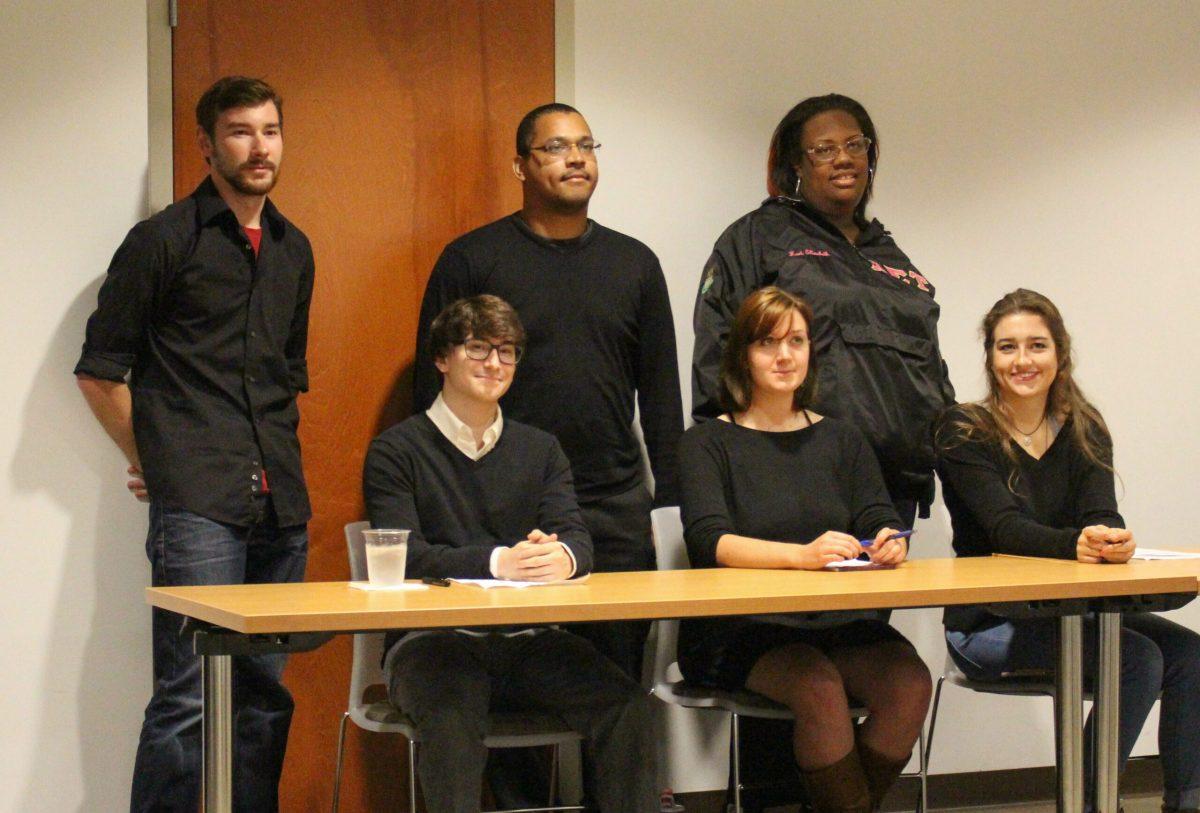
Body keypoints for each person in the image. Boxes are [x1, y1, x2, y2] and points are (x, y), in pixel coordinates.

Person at [74, 76, 313, 811]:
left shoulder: (293, 248)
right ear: (207, 145)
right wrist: (152, 458)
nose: (259, 146)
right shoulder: (163, 241)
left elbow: (286, 377)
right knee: (186, 700)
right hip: (198, 502)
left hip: (281, 502)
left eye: (270, 129)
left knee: (264, 694)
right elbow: (98, 372)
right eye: (240, 131)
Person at [413, 102, 684, 682]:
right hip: (500, 501)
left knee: (615, 687)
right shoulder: (473, 258)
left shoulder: (634, 264)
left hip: (611, 505)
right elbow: (429, 387)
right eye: (556, 147)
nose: (576, 159)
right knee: (504, 684)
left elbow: (661, 393)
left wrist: (672, 505)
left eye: (586, 146)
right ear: (520, 166)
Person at [364, 295, 656, 813]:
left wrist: (562, 557)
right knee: (453, 718)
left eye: (507, 351)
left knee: (627, 705)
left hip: (531, 639)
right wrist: (500, 561)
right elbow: (404, 557)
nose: (495, 364)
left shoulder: (541, 449)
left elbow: (579, 540)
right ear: (441, 358)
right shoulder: (396, 450)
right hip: (431, 643)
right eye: (478, 348)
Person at [935, 288, 1200, 813]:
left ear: (1060, 354)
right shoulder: (962, 429)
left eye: (1036, 345)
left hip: (1078, 613)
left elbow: (1100, 514)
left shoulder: (1085, 426)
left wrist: (1113, 539)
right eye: (1007, 347)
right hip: (989, 623)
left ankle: (1185, 801)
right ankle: (1086, 803)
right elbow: (1004, 530)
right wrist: (1078, 544)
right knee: (1137, 659)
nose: (1023, 360)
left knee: (1190, 654)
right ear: (989, 357)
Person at [679, 287, 931, 812]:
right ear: (742, 355)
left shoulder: (843, 439)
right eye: (768, 342)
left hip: (835, 622)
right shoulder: (707, 442)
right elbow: (710, 542)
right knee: (818, 687)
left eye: (796, 340)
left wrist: (890, 541)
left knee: (909, 683)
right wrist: (801, 555)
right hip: (739, 628)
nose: (785, 355)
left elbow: (878, 515)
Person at [692, 93, 954, 528]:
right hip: (791, 475)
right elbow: (718, 355)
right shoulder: (759, 238)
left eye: (855, 145)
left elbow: (930, 368)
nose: (843, 159)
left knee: (871, 598)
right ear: (797, 165)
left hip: (892, 486)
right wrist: (723, 464)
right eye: (824, 149)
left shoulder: (890, 255)